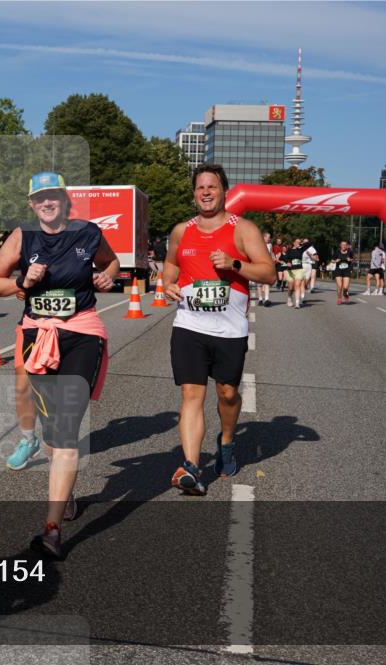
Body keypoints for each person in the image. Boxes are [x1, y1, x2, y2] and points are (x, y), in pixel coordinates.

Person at [0, 171, 119, 558]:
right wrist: (22, 283)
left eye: (54, 197)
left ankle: (52, 530)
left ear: (65, 200)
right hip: (37, 337)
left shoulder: (87, 233)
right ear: (32, 204)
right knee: (51, 433)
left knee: (66, 429)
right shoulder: (22, 237)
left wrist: (106, 277)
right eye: (40, 198)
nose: (47, 203)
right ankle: (66, 488)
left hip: (82, 334)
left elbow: (111, 263)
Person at [162, 163, 275, 495]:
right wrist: (167, 282)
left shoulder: (244, 229)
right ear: (194, 193)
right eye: (200, 187)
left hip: (229, 330)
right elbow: (171, 262)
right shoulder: (182, 231)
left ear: (225, 191)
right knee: (190, 394)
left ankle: (226, 442)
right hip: (189, 325)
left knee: (227, 393)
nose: (206, 192)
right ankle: (192, 467)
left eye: (212, 187)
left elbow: (269, 274)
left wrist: (235, 264)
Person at [281, 238, 307, 309]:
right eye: (297, 242)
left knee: (297, 285)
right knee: (291, 287)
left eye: (299, 242)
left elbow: (308, 245)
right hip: (290, 270)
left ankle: (297, 303)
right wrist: (288, 262)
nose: (298, 243)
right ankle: (289, 297)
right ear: (294, 243)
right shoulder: (289, 250)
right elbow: (285, 258)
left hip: (299, 269)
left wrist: (303, 242)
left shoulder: (301, 250)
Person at [332, 240, 355, 305]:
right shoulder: (337, 252)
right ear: (340, 245)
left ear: (347, 246)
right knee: (339, 286)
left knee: (345, 287)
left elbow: (353, 259)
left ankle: (345, 294)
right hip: (338, 270)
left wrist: (350, 260)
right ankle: (339, 298)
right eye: (342, 245)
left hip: (347, 270)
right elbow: (332, 260)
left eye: (345, 245)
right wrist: (336, 261)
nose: (344, 246)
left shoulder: (350, 252)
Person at [257, 232, 273, 307]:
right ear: (264, 237)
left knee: (266, 282)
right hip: (259, 265)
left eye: (269, 237)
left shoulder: (270, 245)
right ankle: (260, 299)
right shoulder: (258, 244)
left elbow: (271, 253)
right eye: (268, 237)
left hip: (267, 265)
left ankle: (266, 299)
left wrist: (273, 258)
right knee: (259, 284)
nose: (269, 239)